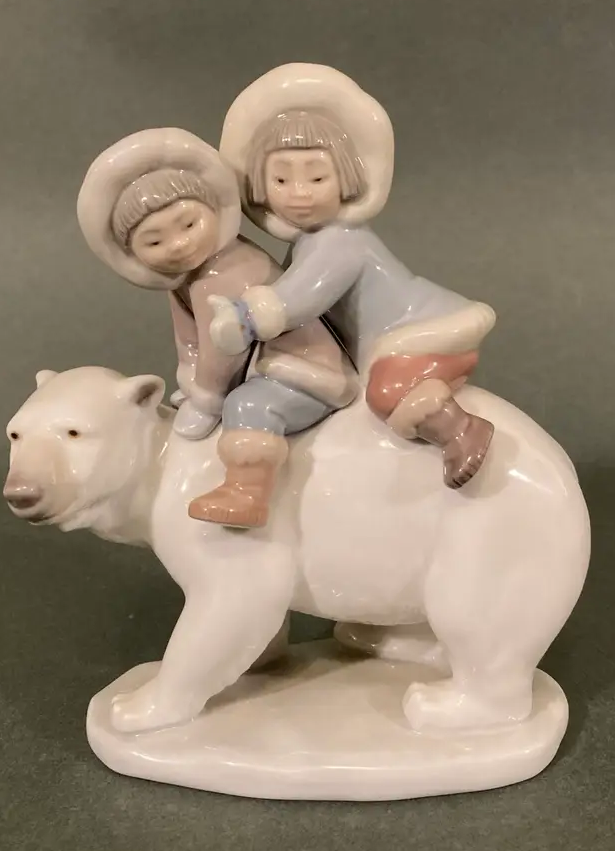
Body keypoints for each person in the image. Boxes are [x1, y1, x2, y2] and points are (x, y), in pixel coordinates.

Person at [209, 63, 496, 499]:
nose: (300, 192)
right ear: (261, 187)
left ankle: (460, 430)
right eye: (282, 178)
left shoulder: (340, 239)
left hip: (417, 334)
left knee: (390, 393)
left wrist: (247, 316)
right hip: (394, 338)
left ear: (345, 180)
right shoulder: (311, 241)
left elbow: (302, 297)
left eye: (317, 177)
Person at [77, 127, 357, 528]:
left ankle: (247, 493)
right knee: (232, 397)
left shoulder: (226, 273)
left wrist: (207, 399)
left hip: (304, 372)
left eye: (188, 224)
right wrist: (190, 378)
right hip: (261, 370)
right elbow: (189, 338)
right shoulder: (187, 277)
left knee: (247, 406)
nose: (178, 244)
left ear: (213, 210)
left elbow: (225, 351)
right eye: (154, 242)